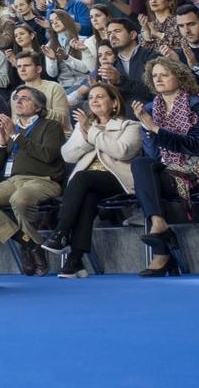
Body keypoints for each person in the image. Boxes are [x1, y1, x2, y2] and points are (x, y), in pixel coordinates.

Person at [131, 59, 199, 276]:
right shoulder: (149, 109)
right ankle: (159, 224)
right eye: (155, 75)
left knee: (148, 182)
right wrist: (148, 131)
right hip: (169, 170)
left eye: (164, 74)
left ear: (180, 77)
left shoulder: (198, 105)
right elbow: (154, 155)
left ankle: (161, 255)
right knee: (141, 164)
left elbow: (196, 146)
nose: (158, 79)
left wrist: (155, 128)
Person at [0, 87, 66, 275]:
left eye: (25, 98)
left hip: (43, 180)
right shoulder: (12, 129)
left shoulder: (51, 126)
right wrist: (2, 143)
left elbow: (48, 155)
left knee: (19, 199)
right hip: (13, 181)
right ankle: (29, 243)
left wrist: (15, 136)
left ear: (38, 107)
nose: (18, 101)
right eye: (16, 98)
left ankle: (28, 246)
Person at [49, 84, 140, 277]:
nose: (94, 101)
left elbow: (122, 151)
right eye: (91, 98)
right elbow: (67, 156)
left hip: (117, 179)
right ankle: (75, 260)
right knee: (88, 197)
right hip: (89, 183)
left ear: (114, 102)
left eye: (100, 97)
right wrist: (84, 136)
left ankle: (60, 232)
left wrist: (92, 132)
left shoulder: (130, 126)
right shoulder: (84, 126)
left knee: (82, 177)